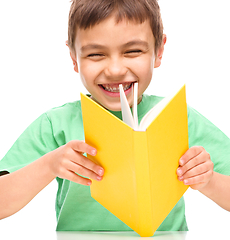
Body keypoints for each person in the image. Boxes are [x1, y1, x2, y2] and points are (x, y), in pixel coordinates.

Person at [0, 0, 230, 233]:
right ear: (73, 58)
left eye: (133, 51)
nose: (115, 70)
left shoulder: (179, 117)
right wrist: (49, 165)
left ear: (159, 51)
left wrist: (208, 181)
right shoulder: (55, 125)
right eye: (96, 54)